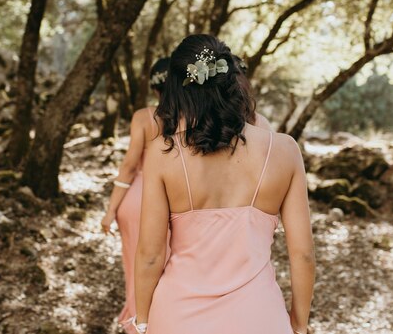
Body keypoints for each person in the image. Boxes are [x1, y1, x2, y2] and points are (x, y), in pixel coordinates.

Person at [134, 34, 315, 334]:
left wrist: (142, 320)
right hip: (258, 318)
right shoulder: (284, 150)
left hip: (178, 318)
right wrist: (298, 322)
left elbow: (151, 254)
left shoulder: (162, 154)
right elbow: (303, 254)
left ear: (177, 91)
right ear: (234, 81)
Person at [100, 57, 169, 332]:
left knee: (136, 261)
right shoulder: (193, 116)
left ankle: (138, 319)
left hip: (139, 197)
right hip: (173, 198)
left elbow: (129, 166)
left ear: (154, 88)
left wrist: (110, 210)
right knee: (166, 262)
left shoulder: (143, 116)